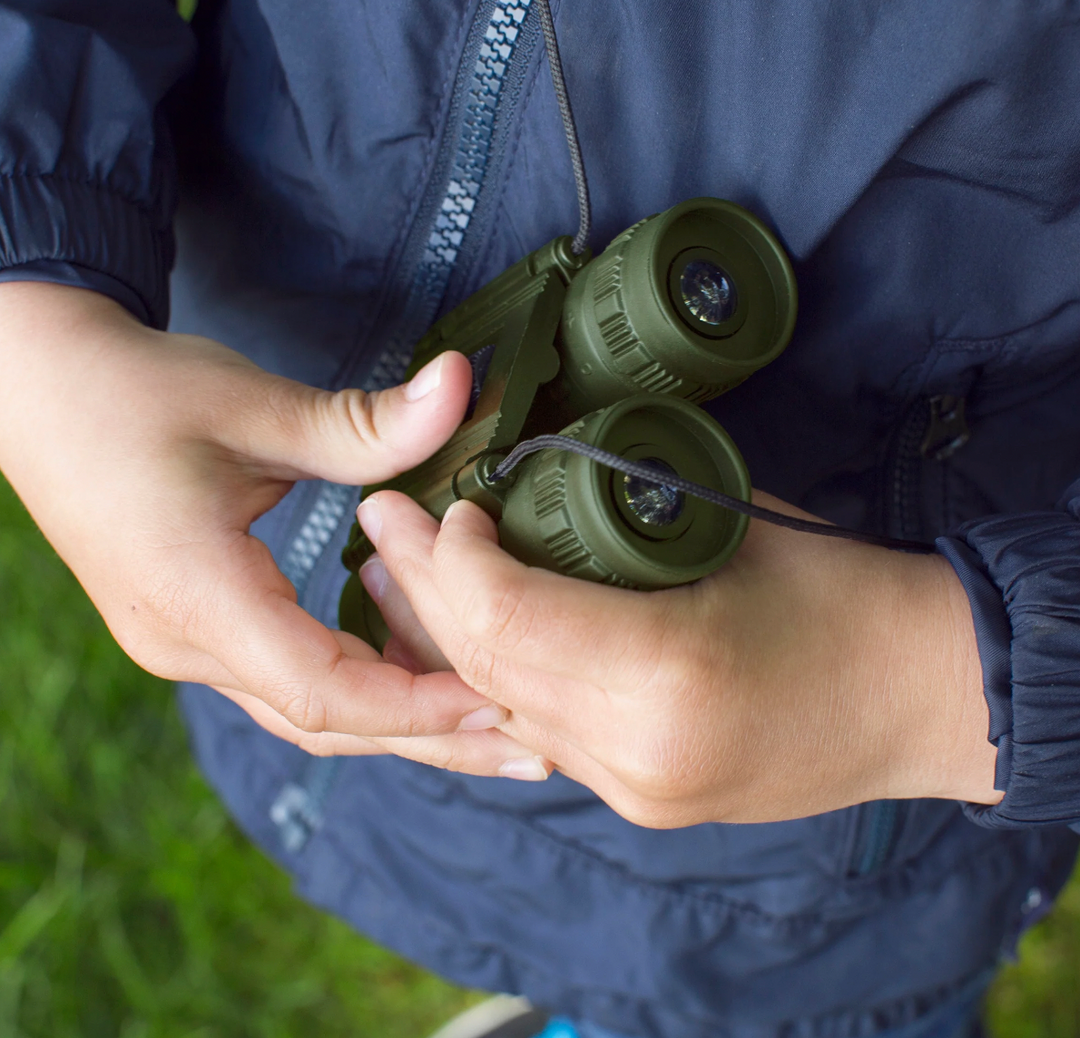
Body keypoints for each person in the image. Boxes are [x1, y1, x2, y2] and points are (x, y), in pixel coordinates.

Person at [1, 1, 1079, 1035]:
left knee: (768, 1004)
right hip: (272, 378)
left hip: (808, 841)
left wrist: (933, 686)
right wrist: (35, 318)